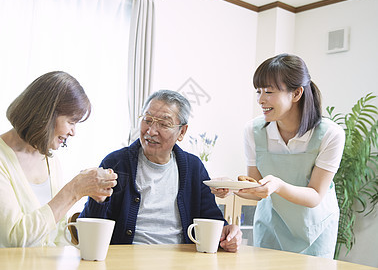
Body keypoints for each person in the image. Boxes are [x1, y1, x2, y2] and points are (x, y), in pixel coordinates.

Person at [212, 54, 345, 258]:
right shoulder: (254, 131)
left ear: (296, 93)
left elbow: (315, 196)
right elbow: (255, 187)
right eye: (259, 91)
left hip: (315, 231)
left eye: (269, 92)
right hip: (271, 226)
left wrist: (278, 185)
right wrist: (230, 188)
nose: (261, 99)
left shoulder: (330, 134)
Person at [0, 71, 117, 248]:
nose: (73, 132)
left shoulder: (50, 161)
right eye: (71, 122)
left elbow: (58, 236)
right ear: (48, 114)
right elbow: (15, 237)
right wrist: (73, 191)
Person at [80, 90, 242, 252]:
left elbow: (211, 219)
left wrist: (227, 234)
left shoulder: (194, 167)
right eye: (148, 120)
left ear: (182, 132)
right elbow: (88, 233)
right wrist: (98, 201)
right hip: (127, 261)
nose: (151, 131)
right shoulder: (116, 164)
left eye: (164, 124)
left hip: (181, 264)